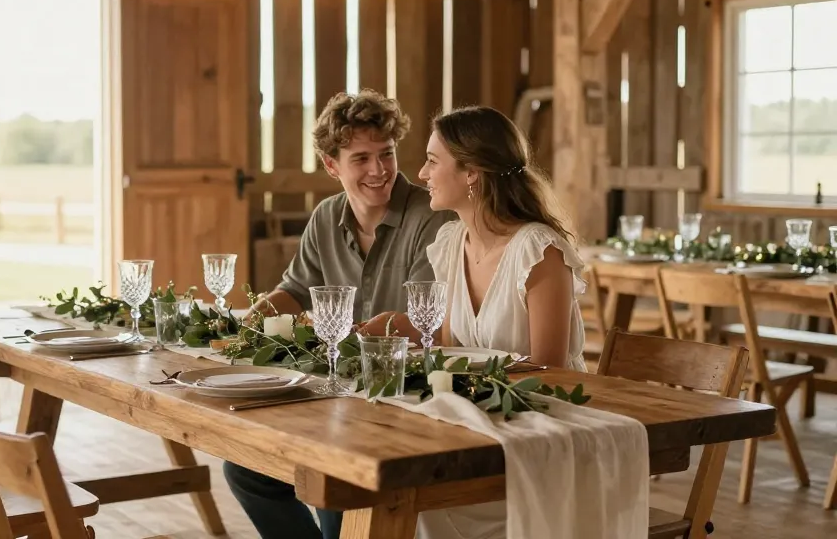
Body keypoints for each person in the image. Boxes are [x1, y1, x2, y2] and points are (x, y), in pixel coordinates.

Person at [224, 89, 454, 539]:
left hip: (407, 390)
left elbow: (430, 318)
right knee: (246, 470)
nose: (379, 170)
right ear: (332, 166)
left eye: (386, 154)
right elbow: (293, 290)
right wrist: (245, 323)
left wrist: (347, 333)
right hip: (338, 389)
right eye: (361, 158)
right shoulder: (327, 216)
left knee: (332, 483)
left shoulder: (430, 216)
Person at [413, 104, 588, 539]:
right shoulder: (451, 242)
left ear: (471, 172)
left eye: (433, 161)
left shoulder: (538, 250)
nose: (421, 172)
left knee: (411, 497)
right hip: (477, 424)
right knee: (388, 481)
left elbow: (549, 370)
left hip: (541, 434)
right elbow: (449, 342)